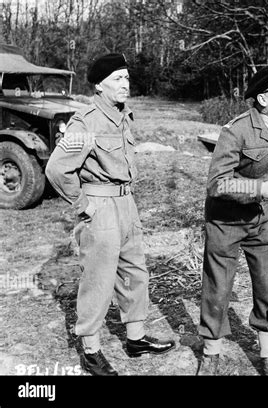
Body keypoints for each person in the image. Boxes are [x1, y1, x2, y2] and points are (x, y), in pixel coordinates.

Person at [45, 53, 175, 376]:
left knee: (135, 272)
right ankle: (91, 351)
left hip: (126, 204)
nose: (126, 84)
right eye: (118, 79)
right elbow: (57, 169)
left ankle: (136, 339)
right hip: (100, 207)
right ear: (100, 85)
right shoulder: (86, 121)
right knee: (99, 279)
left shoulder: (124, 116)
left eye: (127, 78)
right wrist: (82, 205)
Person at [197, 63, 268, 376]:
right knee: (218, 288)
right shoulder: (237, 130)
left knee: (267, 286)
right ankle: (211, 353)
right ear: (262, 99)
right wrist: (258, 188)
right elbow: (217, 183)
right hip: (226, 221)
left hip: (265, 220)